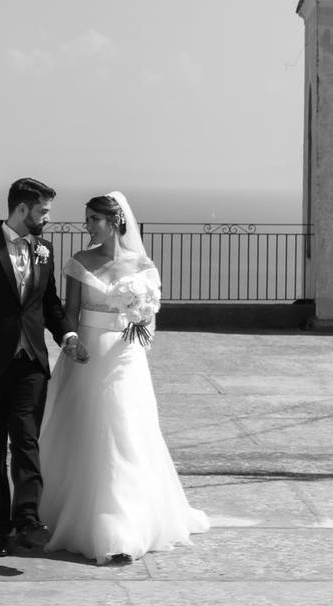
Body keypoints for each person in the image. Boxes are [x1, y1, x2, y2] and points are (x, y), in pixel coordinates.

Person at [38, 190, 209, 564]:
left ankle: (124, 526)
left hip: (125, 356)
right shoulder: (79, 262)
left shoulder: (142, 265)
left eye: (93, 219)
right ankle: (72, 513)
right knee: (81, 430)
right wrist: (70, 343)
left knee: (126, 432)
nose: (87, 226)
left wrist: (139, 320)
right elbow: (68, 311)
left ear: (114, 222)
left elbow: (148, 317)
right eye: (86, 220)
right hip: (86, 351)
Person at [0, 177, 79, 557]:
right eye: (43, 211)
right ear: (22, 210)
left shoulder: (45, 250)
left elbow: (49, 303)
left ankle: (27, 519)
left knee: (26, 440)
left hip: (31, 363)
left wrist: (66, 336)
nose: (48, 219)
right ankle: (1, 529)